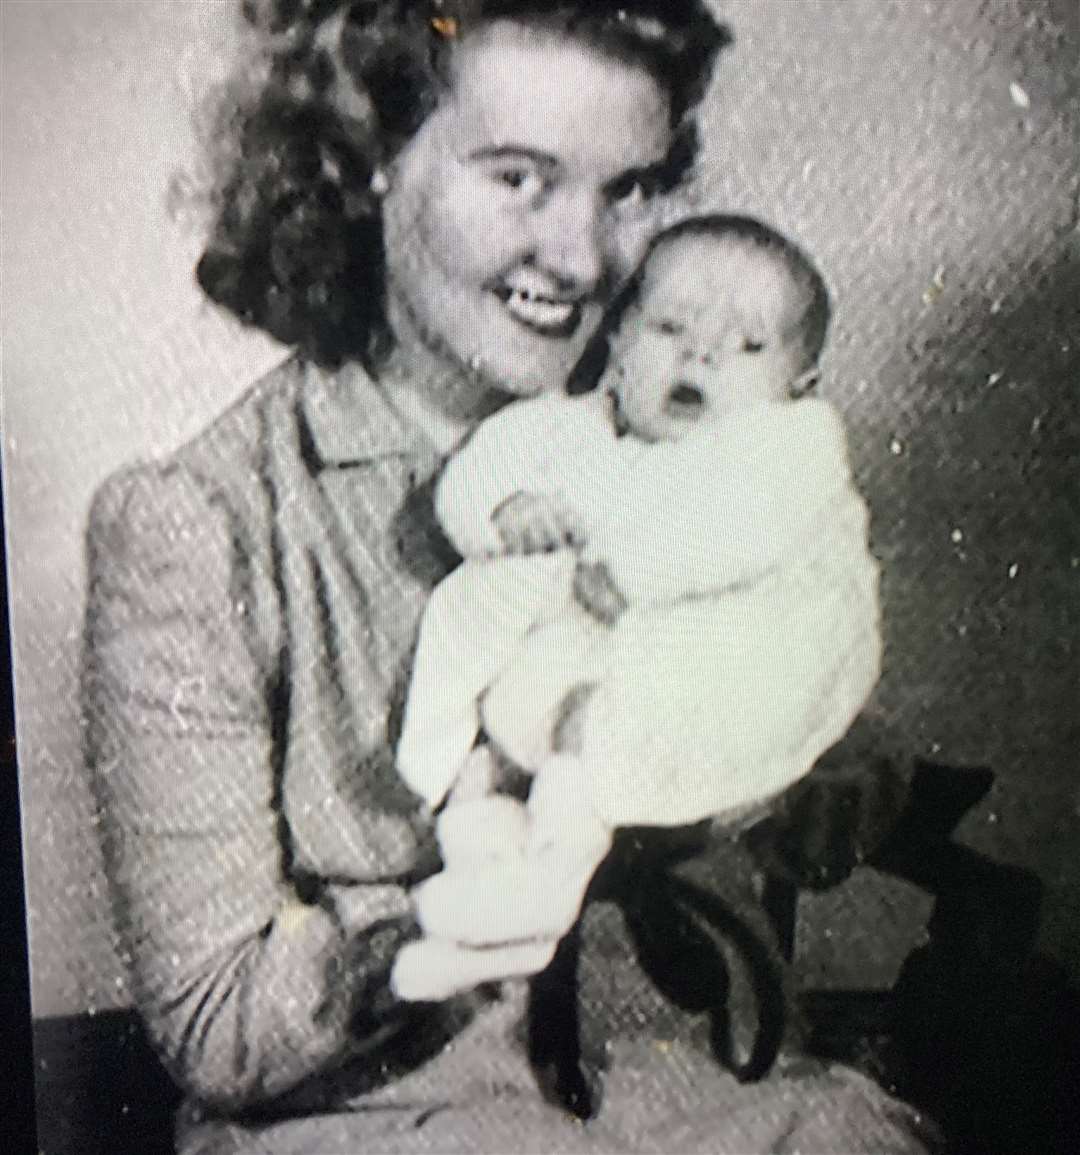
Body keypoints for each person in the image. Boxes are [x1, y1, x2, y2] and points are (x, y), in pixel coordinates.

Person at [81, 2, 939, 1151]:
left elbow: (775, 690)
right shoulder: (197, 524)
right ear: (365, 163)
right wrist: (416, 947)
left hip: (701, 1099)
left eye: (626, 187)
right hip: (393, 1127)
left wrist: (823, 772)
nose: (587, 259)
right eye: (523, 180)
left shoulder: (690, 414)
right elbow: (214, 1022)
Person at [395, 215, 881, 835]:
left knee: (631, 732)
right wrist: (504, 510)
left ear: (798, 387)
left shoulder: (787, 447)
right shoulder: (571, 428)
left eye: (750, 347)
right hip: (585, 648)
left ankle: (562, 827)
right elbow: (481, 470)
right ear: (620, 340)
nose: (700, 355)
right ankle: (432, 762)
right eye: (669, 327)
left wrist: (630, 572)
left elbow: (746, 532)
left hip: (732, 658)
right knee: (469, 603)